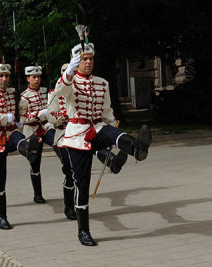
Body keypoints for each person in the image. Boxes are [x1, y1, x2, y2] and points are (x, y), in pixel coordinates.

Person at [54, 43, 152, 246]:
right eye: (84, 59)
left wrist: (113, 124)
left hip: (97, 127)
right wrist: (69, 71)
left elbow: (107, 111)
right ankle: (83, 231)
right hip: (77, 135)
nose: (88, 62)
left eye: (91, 58)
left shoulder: (102, 83)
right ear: (76, 62)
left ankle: (137, 149)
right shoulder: (69, 82)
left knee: (112, 132)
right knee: (82, 184)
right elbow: (60, 91)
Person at [48, 64, 128, 221]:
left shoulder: (82, 90)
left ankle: (111, 159)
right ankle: (69, 206)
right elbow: (51, 116)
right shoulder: (55, 93)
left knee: (90, 144)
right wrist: (63, 116)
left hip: (82, 132)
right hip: (64, 135)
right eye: (66, 74)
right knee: (70, 173)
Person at [0, 63, 41, 230]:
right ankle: (2, 217)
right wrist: (4, 117)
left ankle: (28, 150)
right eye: (1, 76)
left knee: (20, 139)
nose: (4, 79)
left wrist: (20, 116)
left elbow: (21, 108)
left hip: (11, 132)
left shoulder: (13, 93)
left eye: (7, 76)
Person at [19, 65, 56, 203]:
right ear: (28, 79)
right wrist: (39, 114)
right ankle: (37, 194)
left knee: (57, 142)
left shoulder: (46, 92)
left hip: (46, 126)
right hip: (32, 130)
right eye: (34, 77)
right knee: (35, 161)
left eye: (39, 76)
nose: (37, 79)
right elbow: (23, 119)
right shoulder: (23, 97)